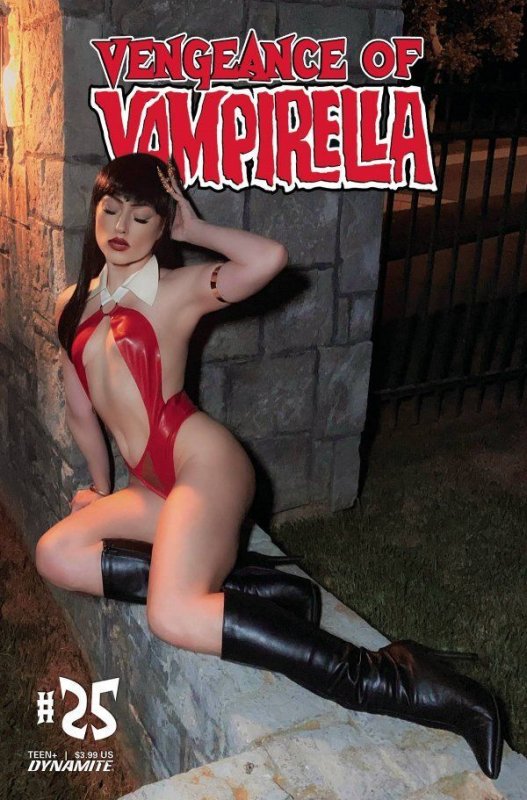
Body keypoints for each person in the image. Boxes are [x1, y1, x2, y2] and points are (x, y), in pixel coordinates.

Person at [35, 153, 503, 780]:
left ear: (162, 224)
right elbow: (81, 412)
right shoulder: (72, 304)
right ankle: (263, 591)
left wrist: (197, 229)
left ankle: (395, 678)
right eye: (110, 209)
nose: (121, 226)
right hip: (153, 484)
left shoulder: (177, 289)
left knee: (172, 613)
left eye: (142, 216)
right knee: (56, 554)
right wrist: (98, 488)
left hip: (205, 464)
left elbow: (268, 259)